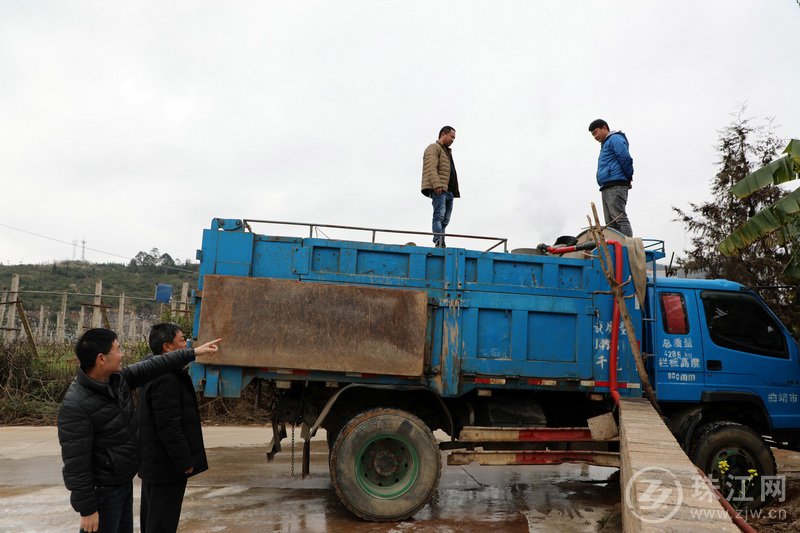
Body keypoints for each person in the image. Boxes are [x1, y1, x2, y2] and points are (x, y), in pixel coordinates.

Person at [57, 328, 221, 533]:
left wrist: (193, 353)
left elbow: (156, 364)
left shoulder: (118, 381)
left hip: (122, 483)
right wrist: (87, 509)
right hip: (102, 493)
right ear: (101, 359)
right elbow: (75, 464)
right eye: (118, 349)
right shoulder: (76, 404)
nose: (122, 354)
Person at [138, 323, 208, 533]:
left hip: (156, 462)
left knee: (153, 519)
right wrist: (185, 461)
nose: (186, 344)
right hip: (166, 465)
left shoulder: (153, 371)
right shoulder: (166, 378)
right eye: (181, 340)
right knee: (162, 522)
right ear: (167, 347)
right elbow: (169, 426)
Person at [588, 119, 634, 237]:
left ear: (604, 128)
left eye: (596, 132)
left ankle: (627, 247)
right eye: (593, 134)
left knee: (619, 218)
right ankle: (617, 250)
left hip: (616, 184)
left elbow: (625, 157)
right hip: (607, 186)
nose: (595, 136)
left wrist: (628, 177)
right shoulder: (606, 144)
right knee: (611, 223)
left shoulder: (615, 139)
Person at [421, 126, 460, 247]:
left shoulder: (446, 151)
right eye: (452, 136)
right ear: (443, 134)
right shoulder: (434, 147)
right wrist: (437, 184)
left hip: (449, 191)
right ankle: (438, 240)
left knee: (445, 220)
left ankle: (441, 241)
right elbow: (430, 167)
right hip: (440, 189)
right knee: (439, 215)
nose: (453, 139)